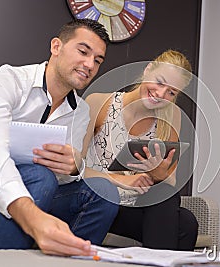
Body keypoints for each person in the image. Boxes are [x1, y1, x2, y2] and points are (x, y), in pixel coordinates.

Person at [0, 19, 119, 256]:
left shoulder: (80, 111)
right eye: (83, 51)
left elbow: (60, 181)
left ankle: (72, 259)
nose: (89, 64)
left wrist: (73, 167)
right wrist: (33, 218)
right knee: (38, 176)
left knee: (103, 191)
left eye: (98, 60)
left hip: (35, 189)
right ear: (56, 47)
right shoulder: (5, 80)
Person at [82, 50, 199, 250]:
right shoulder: (99, 102)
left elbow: (170, 180)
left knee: (181, 214)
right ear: (148, 70)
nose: (161, 94)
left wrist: (156, 172)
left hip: (136, 206)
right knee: (185, 224)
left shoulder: (172, 116)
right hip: (101, 202)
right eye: (160, 82)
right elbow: (75, 166)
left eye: (172, 92)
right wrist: (121, 180)